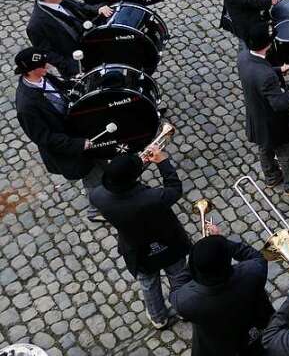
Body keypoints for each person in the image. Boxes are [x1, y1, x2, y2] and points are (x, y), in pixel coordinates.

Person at [89, 151, 191, 329]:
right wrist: (163, 162)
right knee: (179, 275)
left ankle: (158, 317)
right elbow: (174, 189)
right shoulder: (153, 198)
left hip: (137, 249)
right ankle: (184, 309)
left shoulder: (97, 196)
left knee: (149, 284)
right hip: (169, 242)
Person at [14, 47, 105, 220]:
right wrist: (79, 144)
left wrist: (74, 83)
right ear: (31, 71)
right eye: (42, 65)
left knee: (101, 164)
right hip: (69, 146)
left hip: (76, 130)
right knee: (92, 176)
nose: (47, 66)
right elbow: (44, 138)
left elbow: (60, 88)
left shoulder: (42, 76)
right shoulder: (26, 107)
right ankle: (96, 211)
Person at [237, 28, 289, 197]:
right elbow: (279, 104)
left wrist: (279, 70)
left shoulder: (243, 57)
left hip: (256, 117)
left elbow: (258, 74)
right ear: (267, 45)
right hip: (275, 124)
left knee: (264, 148)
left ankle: (271, 177)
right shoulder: (266, 76)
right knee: (287, 153)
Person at [169, 231, 274, 356]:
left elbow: (176, 286)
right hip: (256, 337)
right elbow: (258, 257)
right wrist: (222, 244)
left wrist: (196, 260)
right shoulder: (252, 273)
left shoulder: (185, 302)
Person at [26, 0, 112, 78]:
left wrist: (97, 9)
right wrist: (73, 67)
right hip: (77, 60)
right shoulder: (36, 26)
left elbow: (80, 6)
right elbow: (48, 54)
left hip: (90, 40)